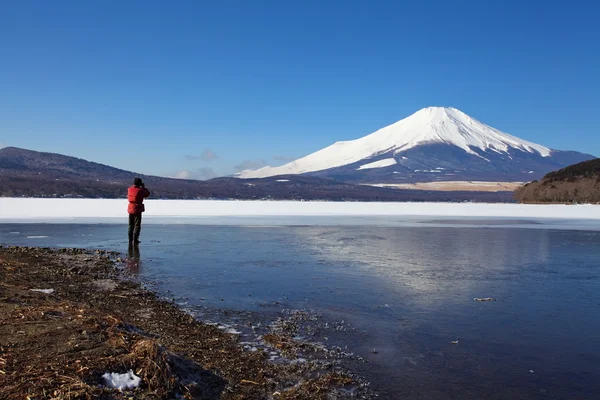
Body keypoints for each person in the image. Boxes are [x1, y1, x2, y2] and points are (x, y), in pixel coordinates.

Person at [127, 177, 150, 244]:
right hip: (137, 208)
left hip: (130, 208)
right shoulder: (140, 190)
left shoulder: (129, 189)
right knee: (137, 225)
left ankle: (130, 239)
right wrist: (143, 187)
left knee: (131, 225)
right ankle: (135, 239)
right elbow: (147, 194)